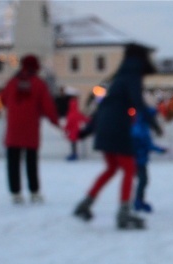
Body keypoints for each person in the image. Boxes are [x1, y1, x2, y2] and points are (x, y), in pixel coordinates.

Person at [73, 43, 162, 230]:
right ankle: (124, 213)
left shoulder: (119, 76)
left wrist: (88, 130)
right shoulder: (132, 76)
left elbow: (102, 106)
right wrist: (153, 123)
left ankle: (85, 204)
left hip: (106, 127)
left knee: (112, 168)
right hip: (117, 128)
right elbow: (137, 101)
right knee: (129, 169)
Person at [0, 54, 60, 204]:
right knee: (31, 162)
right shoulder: (38, 83)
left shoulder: (12, 82)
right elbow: (48, 106)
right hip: (31, 129)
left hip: (13, 128)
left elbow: (2, 98)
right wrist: (55, 121)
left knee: (13, 162)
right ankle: (34, 191)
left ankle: (16, 193)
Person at [132, 107, 167, 213]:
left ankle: (138, 200)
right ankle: (138, 201)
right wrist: (160, 150)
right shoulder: (142, 128)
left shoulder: (139, 125)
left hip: (138, 158)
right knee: (143, 180)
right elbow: (148, 145)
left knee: (142, 180)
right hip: (139, 159)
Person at [64, 95, 89, 161]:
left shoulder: (70, 114)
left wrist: (65, 128)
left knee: (73, 143)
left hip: (72, 131)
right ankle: (74, 154)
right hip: (76, 130)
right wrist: (90, 120)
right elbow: (84, 119)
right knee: (74, 143)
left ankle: (74, 154)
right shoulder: (77, 113)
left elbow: (68, 123)